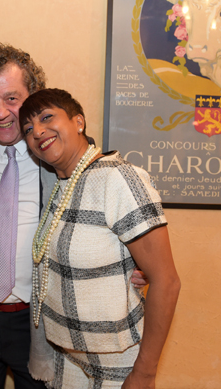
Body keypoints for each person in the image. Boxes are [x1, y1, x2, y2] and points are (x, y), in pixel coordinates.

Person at [0, 44, 149, 389]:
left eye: (12, 99)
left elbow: (99, 221)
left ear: (33, 99)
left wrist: (129, 262)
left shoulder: (63, 163)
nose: (0, 113)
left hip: (42, 324)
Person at [19, 88, 181, 389]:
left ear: (78, 122)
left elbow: (167, 281)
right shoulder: (61, 184)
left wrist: (144, 373)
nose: (38, 131)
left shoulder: (118, 178)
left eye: (46, 117)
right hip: (67, 357)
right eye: (28, 129)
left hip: (118, 362)